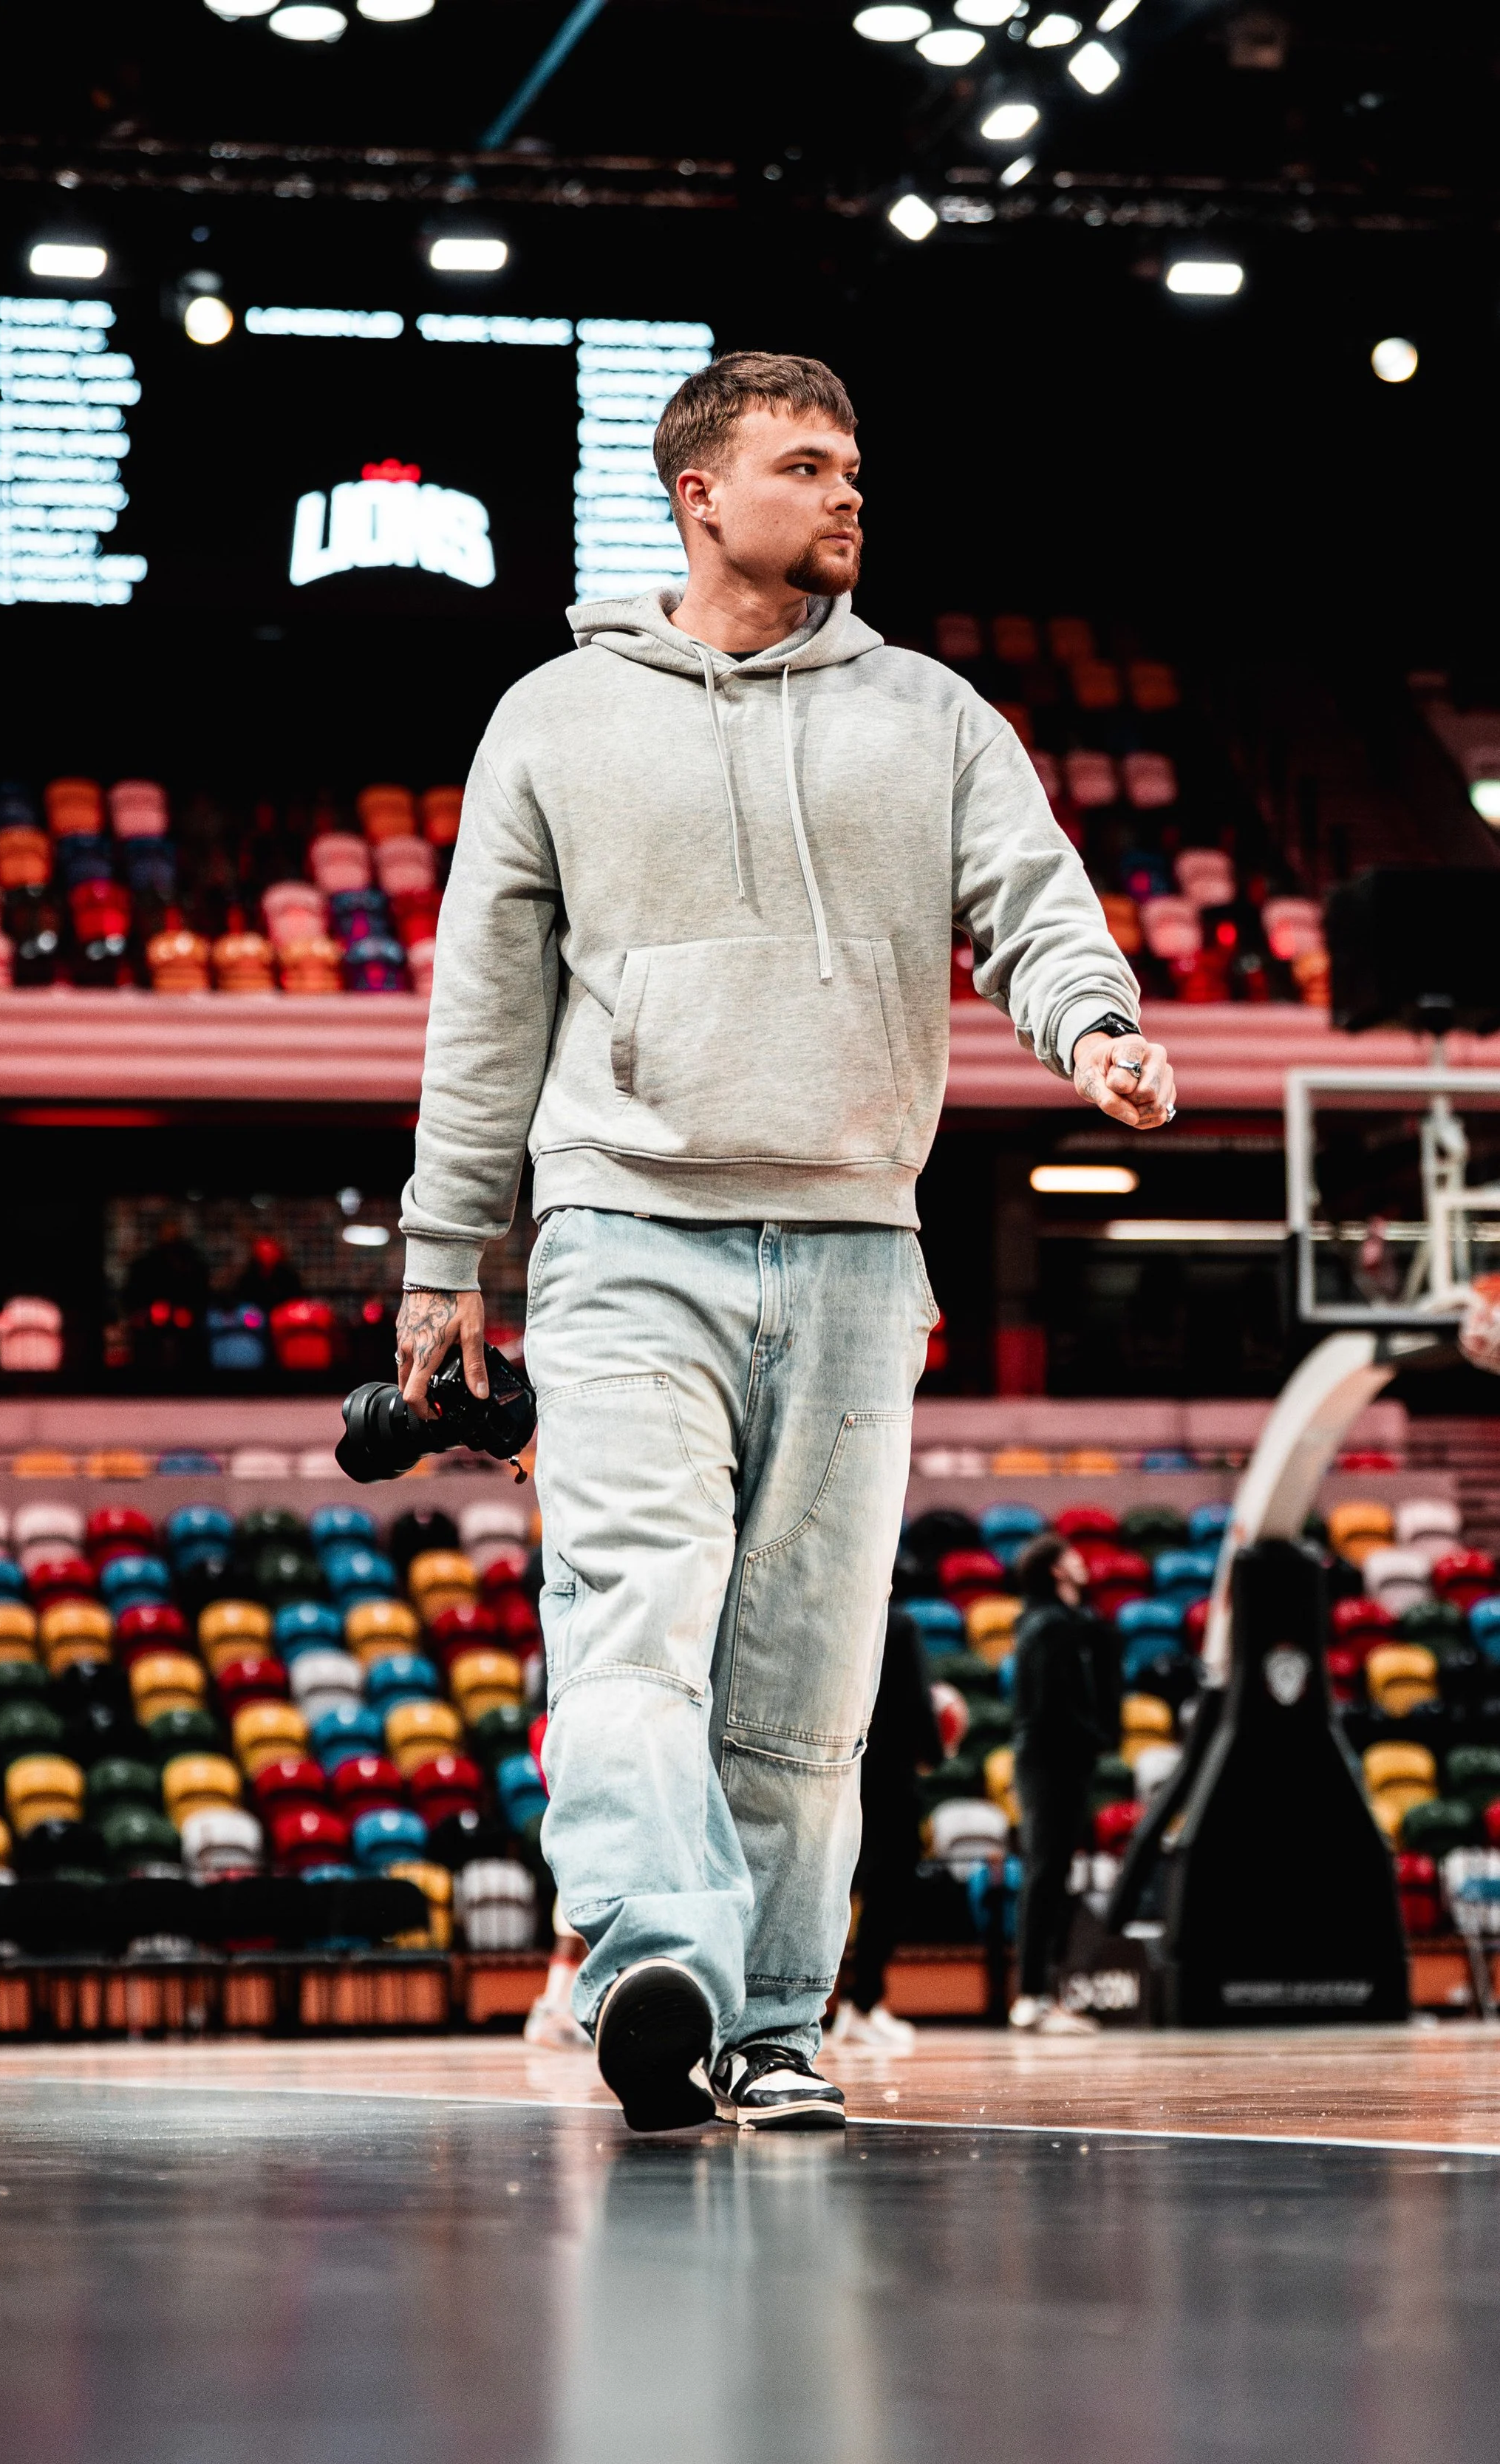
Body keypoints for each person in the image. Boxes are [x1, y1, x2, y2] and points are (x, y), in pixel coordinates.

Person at [395, 350, 1176, 2133]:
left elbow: (1034, 910)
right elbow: (483, 1004)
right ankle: (659, 1953)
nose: (845, 497)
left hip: (849, 1247)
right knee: (630, 1628)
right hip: (619, 1234)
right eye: (808, 468)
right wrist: (449, 1247)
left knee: (808, 1683)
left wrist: (1096, 1029)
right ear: (700, 496)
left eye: (852, 470)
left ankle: (766, 2019)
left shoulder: (936, 715)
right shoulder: (554, 717)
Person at [1008, 1534, 1122, 2036]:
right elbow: (1053, 1704)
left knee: (1052, 1873)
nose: (1082, 1562)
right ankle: (1033, 1996)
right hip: (1052, 1761)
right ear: (1057, 1570)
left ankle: (1041, 1994)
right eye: (1072, 1557)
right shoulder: (1049, 1626)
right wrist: (1096, 1735)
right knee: (1045, 1873)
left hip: (1059, 1760)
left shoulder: (1067, 1623)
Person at [828, 1606, 941, 2053]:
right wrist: (935, 1750)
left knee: (843, 1884)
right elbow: (918, 1699)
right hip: (891, 1775)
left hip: (843, 1769)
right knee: (890, 1886)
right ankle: (862, 2004)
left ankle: (847, 2006)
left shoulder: (842, 1616)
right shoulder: (899, 1623)